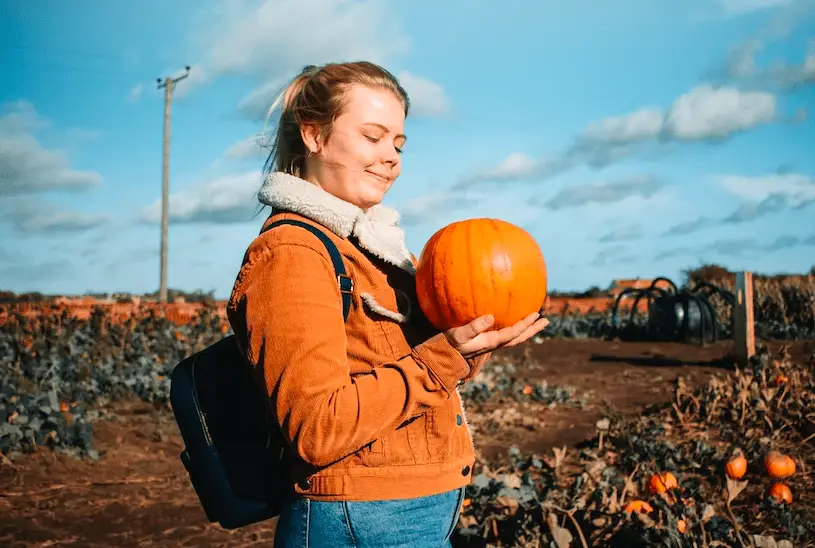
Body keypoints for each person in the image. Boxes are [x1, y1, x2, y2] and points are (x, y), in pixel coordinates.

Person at [226, 61, 549, 548]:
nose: (391, 158)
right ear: (313, 135)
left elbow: (417, 377)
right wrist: (446, 356)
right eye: (373, 137)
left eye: (398, 144)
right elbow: (317, 428)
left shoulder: (374, 251)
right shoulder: (293, 253)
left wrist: (472, 345)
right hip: (356, 519)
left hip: (405, 512)